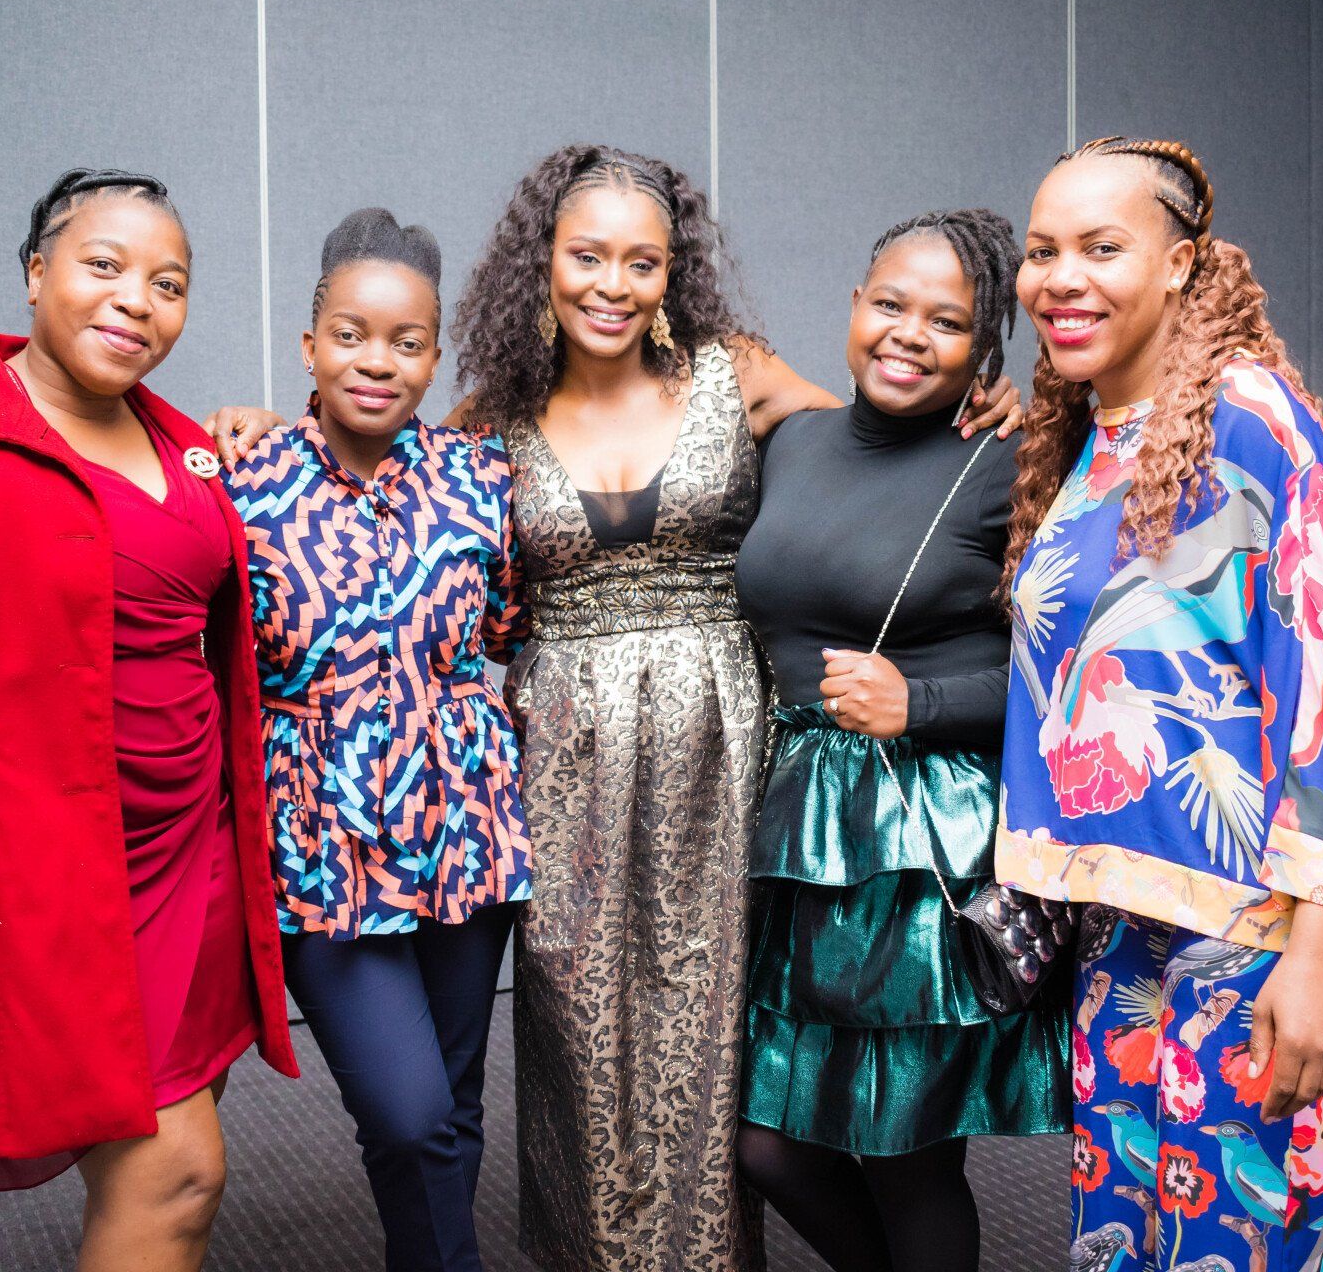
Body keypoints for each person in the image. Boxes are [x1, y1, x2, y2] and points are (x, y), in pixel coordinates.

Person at [204, 146, 1020, 1272]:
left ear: (673, 272)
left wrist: (988, 389)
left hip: (724, 749)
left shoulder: (740, 371)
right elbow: (372, 445)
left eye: (644, 261)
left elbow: (878, 453)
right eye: (587, 254)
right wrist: (252, 423)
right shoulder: (492, 410)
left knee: (715, 1029)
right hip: (562, 752)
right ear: (544, 262)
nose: (612, 283)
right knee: (578, 1028)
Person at [0, 169, 298, 1270]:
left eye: (169, 283)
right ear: (36, 273)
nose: (138, 300)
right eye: (104, 265)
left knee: (154, 1160)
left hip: (193, 861)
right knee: (179, 1171)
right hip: (46, 885)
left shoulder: (196, 452)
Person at [997, 136, 1323, 1272]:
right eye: (1041, 253)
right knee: (1120, 1226)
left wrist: (1319, 951)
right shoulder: (1089, 435)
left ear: (1181, 266)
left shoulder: (1255, 423)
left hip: (1262, 921)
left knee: (1234, 1235)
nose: (1059, 277)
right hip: (1128, 906)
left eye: (1102, 247)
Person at [732, 209, 1071, 1272]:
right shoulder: (793, 437)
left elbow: (1068, 678)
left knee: (908, 1152)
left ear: (985, 350)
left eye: (948, 321)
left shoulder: (1006, 463)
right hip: (803, 836)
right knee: (769, 1143)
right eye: (890, 304)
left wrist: (916, 702)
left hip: (917, 843)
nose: (909, 334)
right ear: (853, 305)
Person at [223, 207, 530, 1272]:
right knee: (408, 1111)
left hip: (463, 819)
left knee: (451, 1097)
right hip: (316, 835)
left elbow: (507, 625)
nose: (378, 361)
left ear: (435, 357)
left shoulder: (480, 477)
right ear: (309, 344)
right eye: (351, 333)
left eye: (407, 342)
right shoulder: (239, 485)